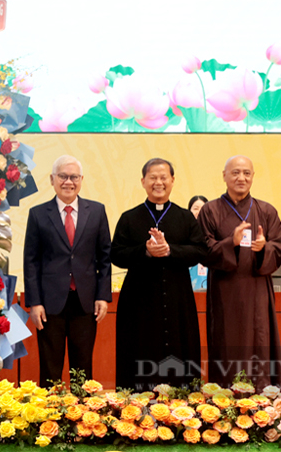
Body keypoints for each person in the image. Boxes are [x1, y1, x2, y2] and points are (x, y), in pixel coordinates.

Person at [111, 159, 207, 389]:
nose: (158, 182)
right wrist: (144, 250)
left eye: (164, 177)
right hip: (138, 302)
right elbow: (116, 254)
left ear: (173, 181)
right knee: (137, 354)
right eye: (153, 177)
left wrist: (170, 250)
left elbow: (200, 250)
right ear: (143, 181)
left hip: (177, 299)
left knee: (180, 353)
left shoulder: (185, 218)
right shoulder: (129, 217)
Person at [23, 155, 111, 387]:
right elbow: (30, 261)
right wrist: (34, 302)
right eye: (63, 176)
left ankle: (83, 418)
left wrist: (103, 295)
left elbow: (105, 258)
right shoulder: (38, 214)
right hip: (49, 304)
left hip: (86, 302)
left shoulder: (97, 211)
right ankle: (48, 418)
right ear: (52, 179)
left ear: (81, 180)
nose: (68, 182)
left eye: (73, 177)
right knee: (50, 366)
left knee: (83, 367)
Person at [198, 155, 281, 387]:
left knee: (259, 340)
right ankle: (226, 398)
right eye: (235, 172)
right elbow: (203, 249)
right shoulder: (210, 210)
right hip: (225, 291)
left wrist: (262, 248)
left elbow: (278, 248)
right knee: (226, 342)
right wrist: (230, 243)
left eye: (246, 173)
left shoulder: (266, 211)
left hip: (257, 290)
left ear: (253, 177)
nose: (241, 177)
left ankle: (261, 395)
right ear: (224, 176)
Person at [188, 195, 209, 290]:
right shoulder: (184, 233)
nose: (199, 212)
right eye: (195, 208)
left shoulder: (212, 233)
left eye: (203, 208)